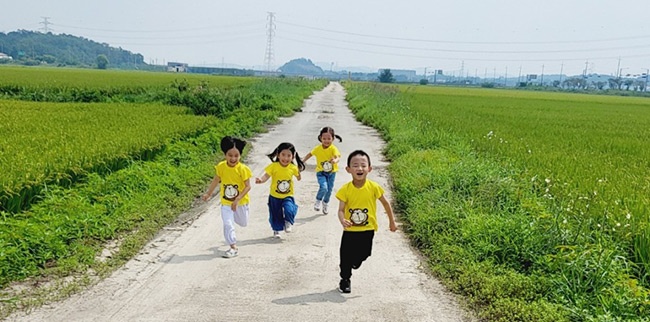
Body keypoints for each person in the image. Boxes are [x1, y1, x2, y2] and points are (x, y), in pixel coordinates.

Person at [335, 150, 397, 293]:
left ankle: (355, 262)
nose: (359, 168)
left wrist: (392, 222)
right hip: (350, 231)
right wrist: (342, 220)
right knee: (345, 256)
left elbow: (386, 204)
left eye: (363, 165)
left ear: (369, 168)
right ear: (348, 169)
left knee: (365, 254)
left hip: (368, 229)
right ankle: (345, 280)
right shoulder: (345, 189)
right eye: (355, 165)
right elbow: (340, 210)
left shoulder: (374, 187)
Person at [202, 136, 252, 259]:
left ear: (240, 155)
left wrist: (237, 199)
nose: (233, 158)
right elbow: (216, 180)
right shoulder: (221, 167)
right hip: (226, 203)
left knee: (243, 223)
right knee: (228, 224)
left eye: (236, 155)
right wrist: (209, 193)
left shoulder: (243, 169)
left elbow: (248, 186)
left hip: (241, 202)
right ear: (225, 154)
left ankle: (233, 220)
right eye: (230, 155)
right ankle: (233, 247)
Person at [255, 142, 306, 238]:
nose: (285, 158)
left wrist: (299, 176)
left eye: (288, 155)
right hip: (274, 196)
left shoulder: (293, 167)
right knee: (275, 214)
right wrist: (261, 180)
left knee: (289, 209)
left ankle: (288, 221)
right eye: (283, 155)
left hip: (288, 195)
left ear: (293, 156)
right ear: (278, 155)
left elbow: (298, 176)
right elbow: (266, 175)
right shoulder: (274, 166)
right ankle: (276, 229)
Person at [301, 126, 343, 215]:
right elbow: (310, 154)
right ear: (320, 138)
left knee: (329, 190)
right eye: (324, 138)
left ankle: (325, 203)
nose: (326, 141)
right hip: (321, 172)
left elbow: (337, 157)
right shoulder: (317, 148)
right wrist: (302, 161)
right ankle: (318, 200)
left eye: (329, 138)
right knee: (324, 187)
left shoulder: (333, 149)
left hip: (332, 173)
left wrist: (335, 161)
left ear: (333, 138)